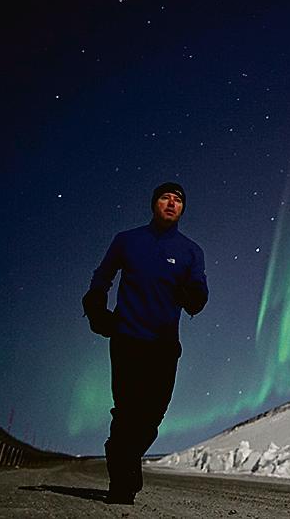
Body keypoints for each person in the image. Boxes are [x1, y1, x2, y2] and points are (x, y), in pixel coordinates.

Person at [82, 182, 208, 505]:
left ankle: (120, 453)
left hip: (164, 345)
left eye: (178, 200)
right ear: (154, 203)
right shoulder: (127, 240)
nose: (171, 203)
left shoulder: (191, 251)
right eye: (166, 197)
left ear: (182, 209)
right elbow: (103, 275)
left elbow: (199, 291)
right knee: (127, 411)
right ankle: (122, 486)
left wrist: (193, 297)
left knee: (152, 416)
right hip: (127, 339)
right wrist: (96, 306)